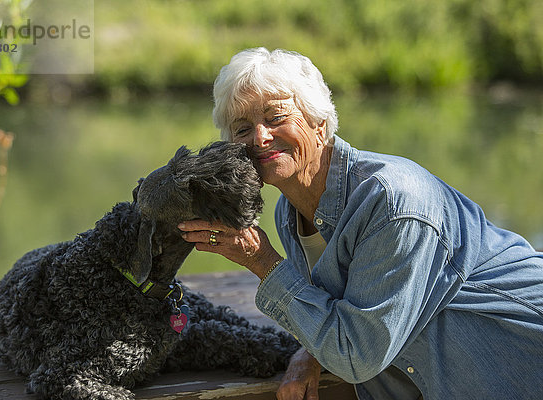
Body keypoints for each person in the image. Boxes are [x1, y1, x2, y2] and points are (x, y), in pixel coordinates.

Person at [178, 47, 543, 400]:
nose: (260, 137)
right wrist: (310, 352)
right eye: (242, 129)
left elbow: (356, 354)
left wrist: (262, 261)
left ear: (319, 125)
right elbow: (342, 311)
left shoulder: (392, 200)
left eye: (276, 118)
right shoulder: (287, 214)